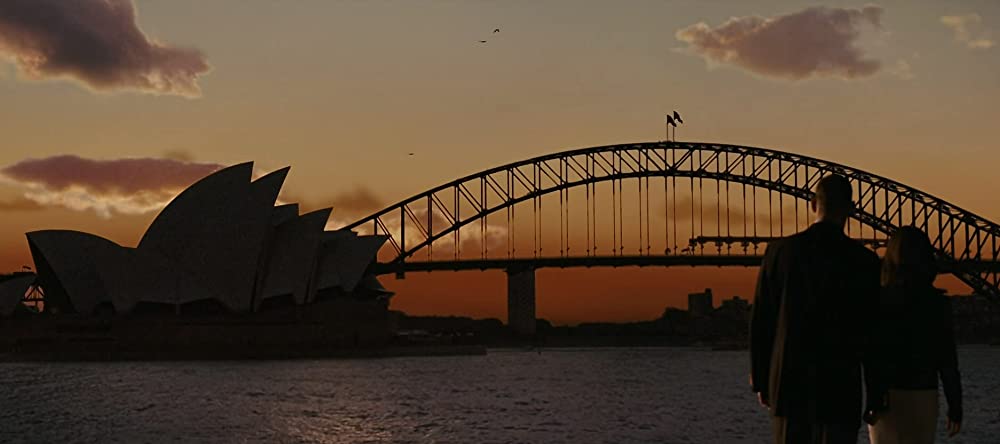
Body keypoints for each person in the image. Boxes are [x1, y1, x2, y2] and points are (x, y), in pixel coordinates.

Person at [750, 174, 883, 444]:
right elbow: (872, 335)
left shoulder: (779, 252)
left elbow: (762, 321)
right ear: (851, 209)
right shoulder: (864, 262)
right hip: (840, 387)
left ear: (813, 204)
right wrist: (876, 393)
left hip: (789, 385)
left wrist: (761, 379)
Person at [867, 226, 963, 443]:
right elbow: (948, 360)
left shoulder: (879, 301)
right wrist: (955, 406)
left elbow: (871, 355)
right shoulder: (937, 304)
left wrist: (872, 399)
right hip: (923, 395)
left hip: (885, 397)